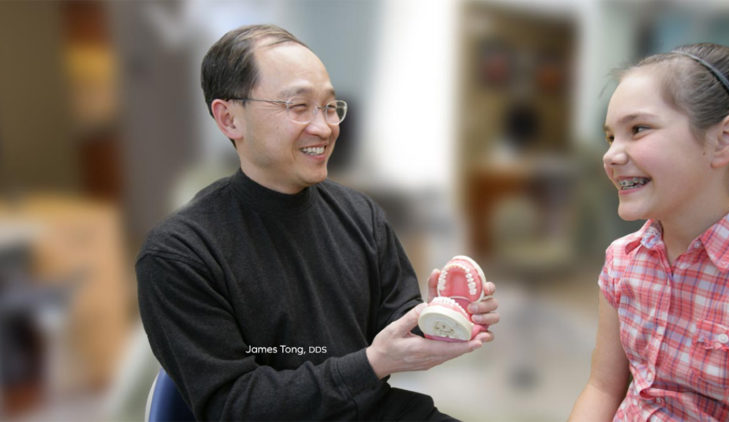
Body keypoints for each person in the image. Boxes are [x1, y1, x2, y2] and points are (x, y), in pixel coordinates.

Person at [136, 24, 499, 421]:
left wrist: (440, 319)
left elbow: (393, 330)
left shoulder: (361, 215)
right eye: (298, 106)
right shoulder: (178, 255)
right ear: (229, 119)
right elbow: (234, 405)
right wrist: (371, 363)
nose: (325, 127)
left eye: (330, 106)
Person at [569, 43, 729, 421]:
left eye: (638, 129)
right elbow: (602, 388)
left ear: (724, 139)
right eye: (611, 137)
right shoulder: (622, 260)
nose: (611, 155)